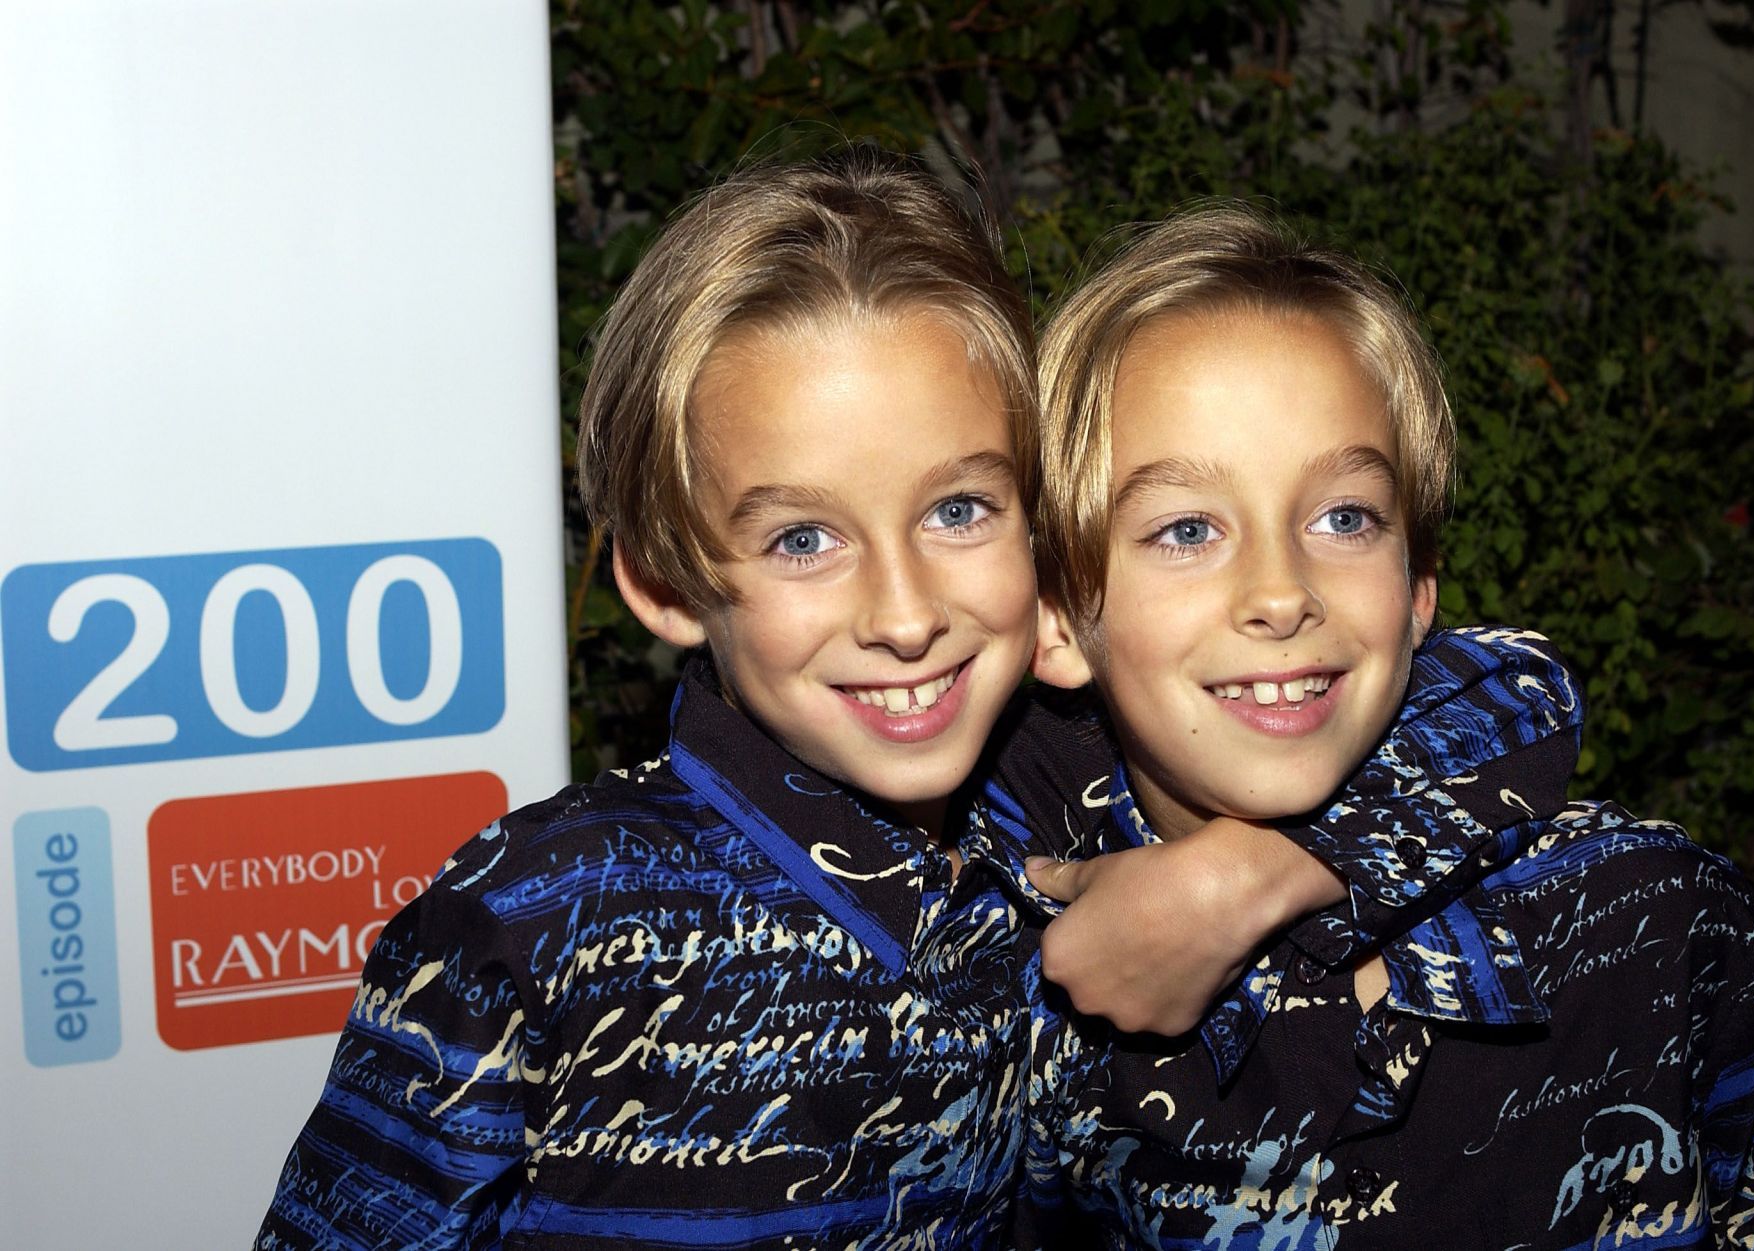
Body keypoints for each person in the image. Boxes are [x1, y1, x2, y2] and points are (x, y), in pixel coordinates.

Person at [252, 149, 1366, 1251]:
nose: (902, 612)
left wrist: (1259, 868)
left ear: (1043, 516)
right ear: (664, 581)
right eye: (803, 538)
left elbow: (1498, 695)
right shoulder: (539, 912)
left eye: (960, 510)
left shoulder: (1063, 807)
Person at [1016, 206, 1754, 1248]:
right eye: (1186, 529)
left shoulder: (1655, 919)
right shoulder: (996, 977)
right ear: (1055, 619)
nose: (1280, 592)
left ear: (1418, 589)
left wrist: (1269, 865)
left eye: (1344, 518)